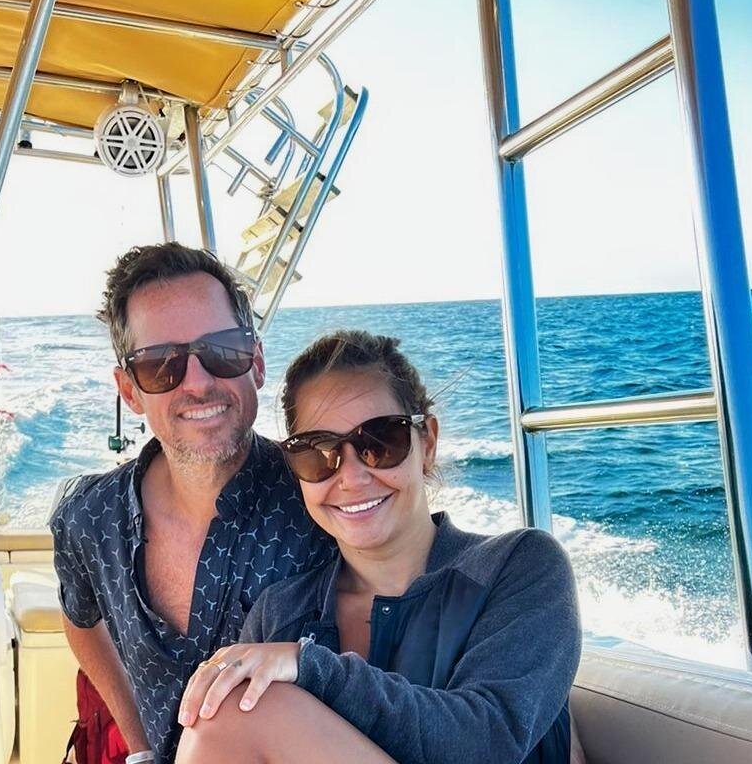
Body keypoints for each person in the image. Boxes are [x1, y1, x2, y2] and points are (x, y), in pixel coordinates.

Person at [176, 330, 581, 764]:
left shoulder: (519, 566)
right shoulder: (279, 613)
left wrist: (310, 667)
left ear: (427, 443)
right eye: (317, 453)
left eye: (380, 442)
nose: (351, 478)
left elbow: (488, 742)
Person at [49, 243, 335, 763]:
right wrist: (140, 748)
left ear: (257, 362)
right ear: (129, 390)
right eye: (161, 365)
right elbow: (80, 617)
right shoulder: (88, 519)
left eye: (222, 350)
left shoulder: (324, 499)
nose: (199, 383)